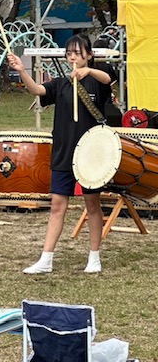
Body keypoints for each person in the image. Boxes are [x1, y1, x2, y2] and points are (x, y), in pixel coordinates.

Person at [8, 34, 116, 274]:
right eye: (69, 53)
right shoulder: (60, 84)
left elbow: (108, 78)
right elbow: (37, 90)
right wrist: (21, 71)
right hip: (63, 150)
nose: (73, 57)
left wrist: (88, 72)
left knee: (92, 203)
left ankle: (94, 257)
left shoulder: (97, 77)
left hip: (91, 153)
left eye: (78, 53)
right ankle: (46, 259)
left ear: (88, 55)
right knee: (58, 204)